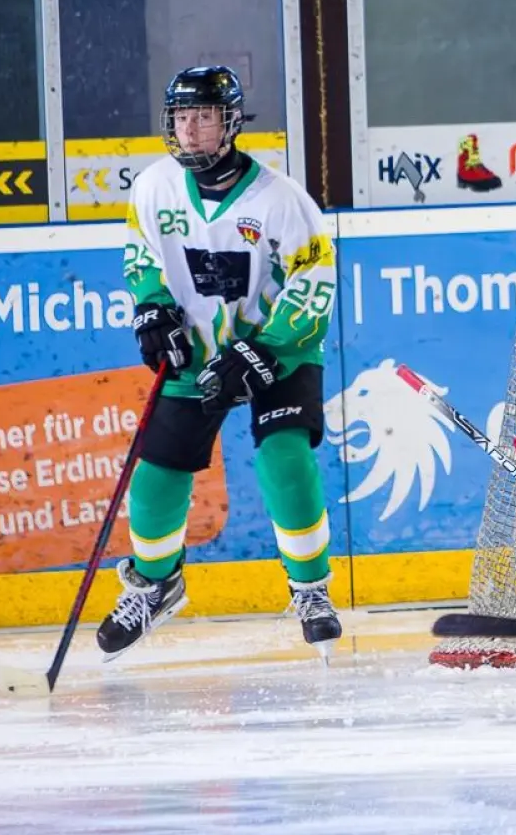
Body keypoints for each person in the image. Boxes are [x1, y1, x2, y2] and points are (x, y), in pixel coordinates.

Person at [99, 66, 341, 660]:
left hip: (275, 350)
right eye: (182, 117)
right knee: (158, 470)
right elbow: (141, 254)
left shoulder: (283, 201)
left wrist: (264, 347)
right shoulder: (154, 187)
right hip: (198, 348)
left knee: (284, 457)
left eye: (204, 117)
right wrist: (152, 309)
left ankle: (311, 588)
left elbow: (316, 282)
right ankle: (156, 584)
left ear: (230, 123)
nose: (191, 129)